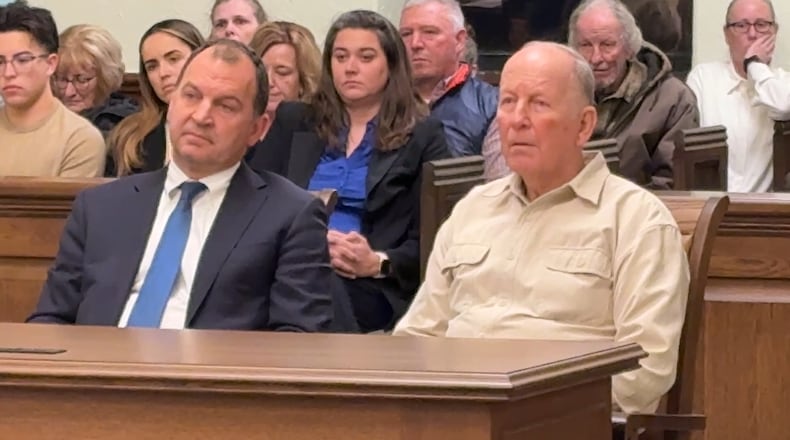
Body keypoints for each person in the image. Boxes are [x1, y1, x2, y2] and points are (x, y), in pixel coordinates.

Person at [394, 41, 690, 415]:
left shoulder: (636, 220)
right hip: (454, 415)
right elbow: (418, 337)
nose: (517, 119)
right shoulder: (473, 209)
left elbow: (646, 368)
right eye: (507, 102)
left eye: (538, 104)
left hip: (558, 421)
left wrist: (528, 410)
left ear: (584, 125)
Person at [28, 39, 335, 332]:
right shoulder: (100, 207)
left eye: (225, 106)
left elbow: (296, 340)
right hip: (93, 375)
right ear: (171, 103)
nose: (201, 116)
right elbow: (51, 320)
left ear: (257, 129)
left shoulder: (290, 215)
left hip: (210, 381)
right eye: (190, 96)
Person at [249, 10, 450, 332]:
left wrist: (378, 261)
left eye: (366, 57)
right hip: (285, 263)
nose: (350, 68)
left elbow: (435, 240)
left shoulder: (424, 135)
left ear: (391, 65)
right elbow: (251, 200)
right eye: (340, 57)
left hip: (367, 282)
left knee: (317, 282)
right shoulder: (294, 119)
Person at [568, 0, 698, 189]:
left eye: (607, 44)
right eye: (586, 45)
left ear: (630, 48)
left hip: (638, 214)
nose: (596, 58)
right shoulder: (562, 94)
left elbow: (674, 186)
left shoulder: (673, 99)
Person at [687, 0, 790, 192]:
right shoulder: (704, 77)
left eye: (761, 25)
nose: (752, 34)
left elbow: (783, 106)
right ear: (727, 34)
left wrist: (754, 64)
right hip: (710, 205)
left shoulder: (783, 84)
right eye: (741, 26)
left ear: (774, 31)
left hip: (763, 211)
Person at [399, 0, 506, 180]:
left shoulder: (493, 106)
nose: (415, 43)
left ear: (459, 41)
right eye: (406, 34)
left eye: (429, 32)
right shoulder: (380, 98)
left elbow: (498, 189)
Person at [0, 0, 105, 177]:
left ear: (50, 64)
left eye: (23, 60)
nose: (8, 72)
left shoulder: (80, 139)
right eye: (0, 62)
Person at [107, 19, 204, 176]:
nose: (163, 73)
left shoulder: (231, 127)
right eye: (152, 66)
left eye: (173, 59)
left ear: (201, 58)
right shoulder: (128, 137)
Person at [54, 24, 139, 138]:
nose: (69, 92)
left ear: (106, 78)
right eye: (62, 79)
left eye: (82, 80)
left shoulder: (120, 125)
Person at [248, 21, 321, 140]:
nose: (269, 82)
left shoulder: (317, 136)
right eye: (261, 71)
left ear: (304, 82)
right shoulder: (235, 130)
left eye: (282, 72)